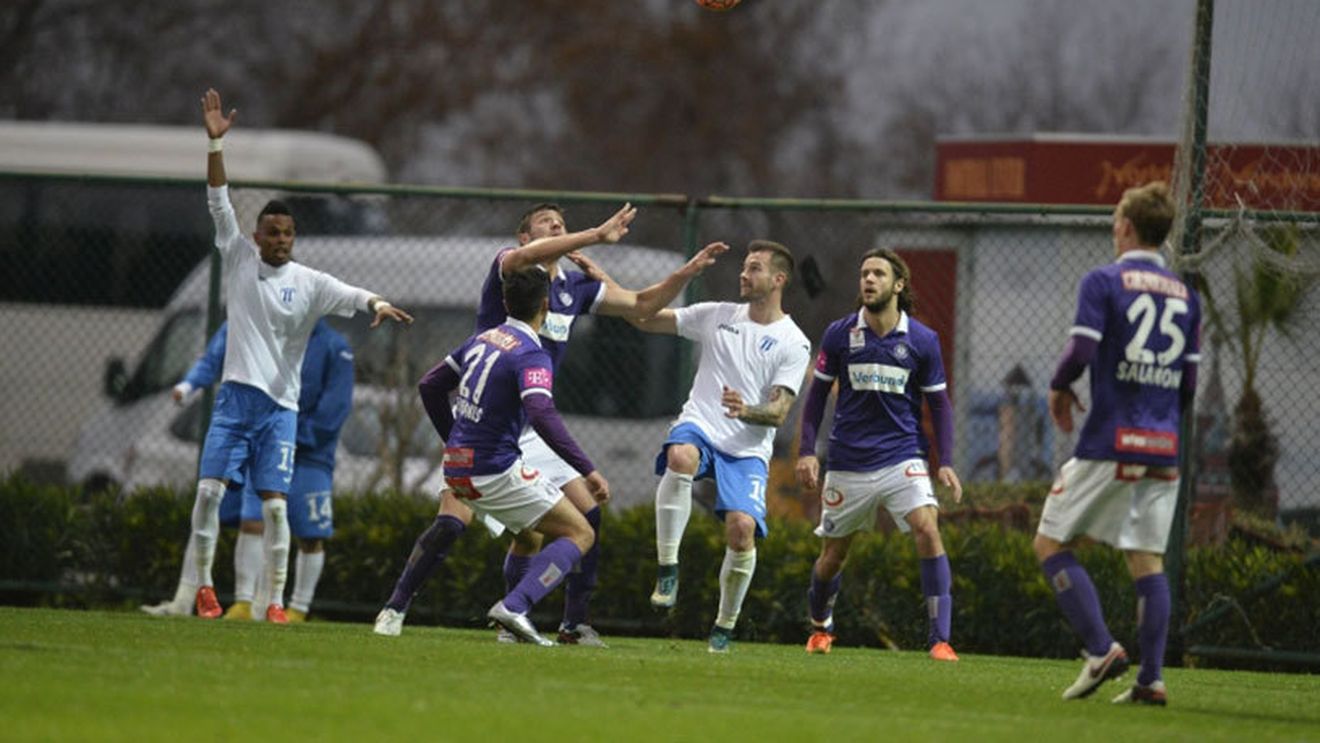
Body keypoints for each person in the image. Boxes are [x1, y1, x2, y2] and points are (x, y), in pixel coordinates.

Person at [374, 202, 726, 644]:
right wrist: (596, 235)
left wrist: (686, 272)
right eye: (546, 223)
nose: (558, 225)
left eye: (562, 221)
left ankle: (569, 624)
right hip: (487, 425)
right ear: (525, 237)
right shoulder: (510, 270)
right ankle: (395, 607)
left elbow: (641, 304)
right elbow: (523, 262)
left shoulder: (572, 287)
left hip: (529, 426)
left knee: (582, 516)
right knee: (452, 523)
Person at [187, 88, 411, 624]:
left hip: (280, 412)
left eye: (288, 232)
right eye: (272, 231)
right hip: (236, 400)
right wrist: (216, 147)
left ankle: (275, 604)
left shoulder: (309, 283)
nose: (280, 239)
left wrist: (378, 303)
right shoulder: (238, 256)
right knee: (209, 495)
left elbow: (353, 295)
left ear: (294, 237)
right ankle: (204, 589)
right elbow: (219, 201)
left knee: (275, 506)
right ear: (257, 235)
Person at [1034, 181, 1200, 705]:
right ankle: (1151, 679)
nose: (1113, 230)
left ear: (1127, 226)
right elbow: (1189, 385)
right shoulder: (1186, 295)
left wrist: (1059, 387)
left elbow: (1082, 347)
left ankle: (1100, 648)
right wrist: (1163, 427)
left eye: (1114, 222)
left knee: (1050, 543)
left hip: (1111, 440)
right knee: (1146, 559)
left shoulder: (1104, 281)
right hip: (1163, 445)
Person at [401, 267, 606, 645]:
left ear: (505, 302)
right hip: (495, 466)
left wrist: (453, 440)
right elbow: (542, 413)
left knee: (528, 534)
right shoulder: (532, 353)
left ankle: (505, 628)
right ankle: (515, 606)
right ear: (546, 305)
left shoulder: (482, 338)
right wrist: (587, 468)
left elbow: (430, 385)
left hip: (461, 464)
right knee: (580, 532)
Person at [633, 240, 812, 653]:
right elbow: (643, 317)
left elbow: (780, 412)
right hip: (702, 424)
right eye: (744, 268)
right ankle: (667, 569)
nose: (743, 275)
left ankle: (724, 625)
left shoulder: (793, 341)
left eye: (754, 269)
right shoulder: (716, 314)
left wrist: (745, 409)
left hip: (747, 448)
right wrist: (604, 286)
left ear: (778, 280)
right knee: (680, 455)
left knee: (741, 530)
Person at [794, 249, 963, 661]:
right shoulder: (839, 334)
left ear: (898, 285)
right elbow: (815, 398)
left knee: (928, 528)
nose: (868, 280)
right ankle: (821, 627)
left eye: (878, 274)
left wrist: (946, 462)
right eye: (864, 273)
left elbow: (939, 405)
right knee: (832, 558)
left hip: (902, 457)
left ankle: (940, 639)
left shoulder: (922, 340)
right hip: (848, 462)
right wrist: (806, 451)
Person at [139, 318, 353, 622]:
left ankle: (293, 608)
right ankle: (211, 602)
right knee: (233, 512)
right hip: (252, 435)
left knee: (306, 531)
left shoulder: (332, 345)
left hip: (307, 452)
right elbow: (213, 358)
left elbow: (334, 407)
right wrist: (188, 385)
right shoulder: (248, 317)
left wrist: (294, 435)